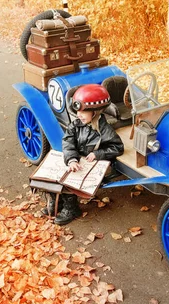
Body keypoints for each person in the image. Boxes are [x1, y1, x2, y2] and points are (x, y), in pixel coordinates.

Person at [43, 83, 124, 225]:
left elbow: (117, 147)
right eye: (78, 112)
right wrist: (71, 159)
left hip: (93, 163)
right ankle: (57, 202)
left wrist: (98, 154)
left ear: (95, 112)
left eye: (83, 112)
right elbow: (68, 142)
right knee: (53, 174)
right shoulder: (75, 125)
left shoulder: (104, 129)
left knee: (70, 181)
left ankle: (71, 208)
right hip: (77, 159)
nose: (79, 115)